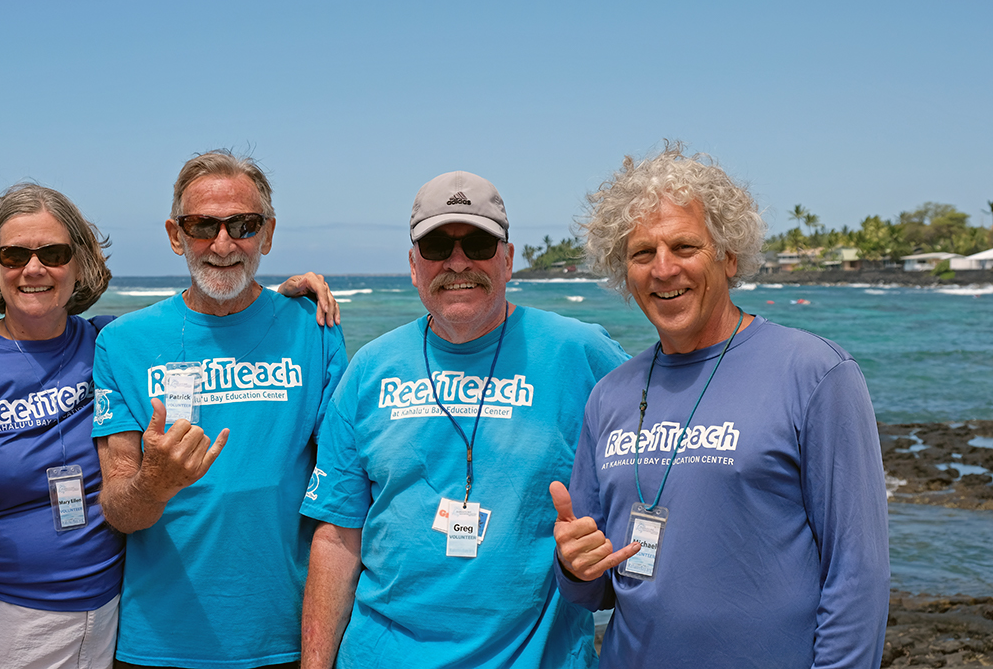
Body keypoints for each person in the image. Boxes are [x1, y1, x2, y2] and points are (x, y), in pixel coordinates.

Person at [552, 143, 889, 668]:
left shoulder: (817, 373)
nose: (663, 270)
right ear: (625, 272)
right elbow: (596, 593)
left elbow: (858, 573)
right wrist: (574, 565)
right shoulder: (610, 395)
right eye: (642, 253)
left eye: (684, 247)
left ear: (729, 257)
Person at [300, 170, 630, 669]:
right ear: (414, 267)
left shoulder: (582, 352)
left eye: (477, 242)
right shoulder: (370, 368)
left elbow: (659, 453)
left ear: (509, 260)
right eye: (436, 246)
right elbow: (337, 537)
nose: (458, 262)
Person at [93, 149, 348, 669]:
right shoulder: (122, 343)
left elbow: (341, 499)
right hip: (159, 644)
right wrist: (153, 483)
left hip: (285, 638)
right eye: (203, 225)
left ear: (268, 235)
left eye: (244, 225)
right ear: (175, 235)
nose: (223, 243)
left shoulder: (314, 330)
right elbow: (118, 509)